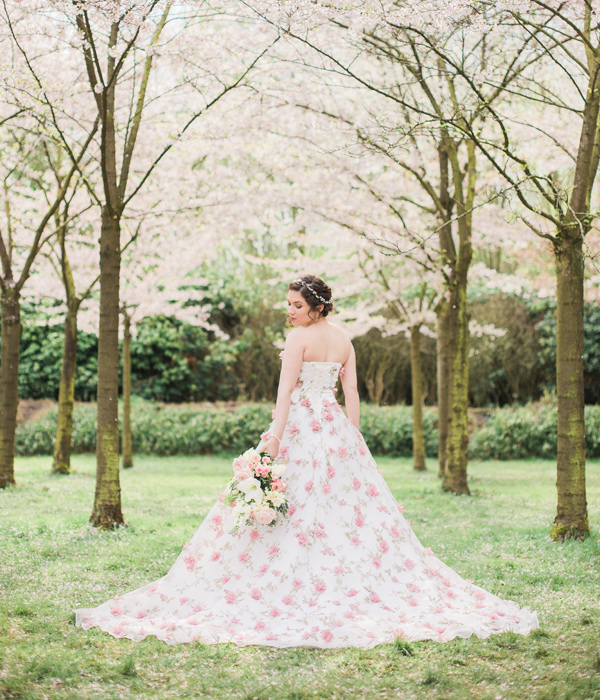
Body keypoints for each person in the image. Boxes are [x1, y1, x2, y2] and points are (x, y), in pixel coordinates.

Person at [75, 274, 539, 648]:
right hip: (335, 429)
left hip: (301, 425)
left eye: (297, 305)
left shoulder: (298, 341)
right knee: (339, 506)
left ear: (316, 307)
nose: (290, 311)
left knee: (305, 502)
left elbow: (284, 395)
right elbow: (351, 393)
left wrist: (273, 441)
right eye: (289, 305)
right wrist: (352, 438)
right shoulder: (344, 340)